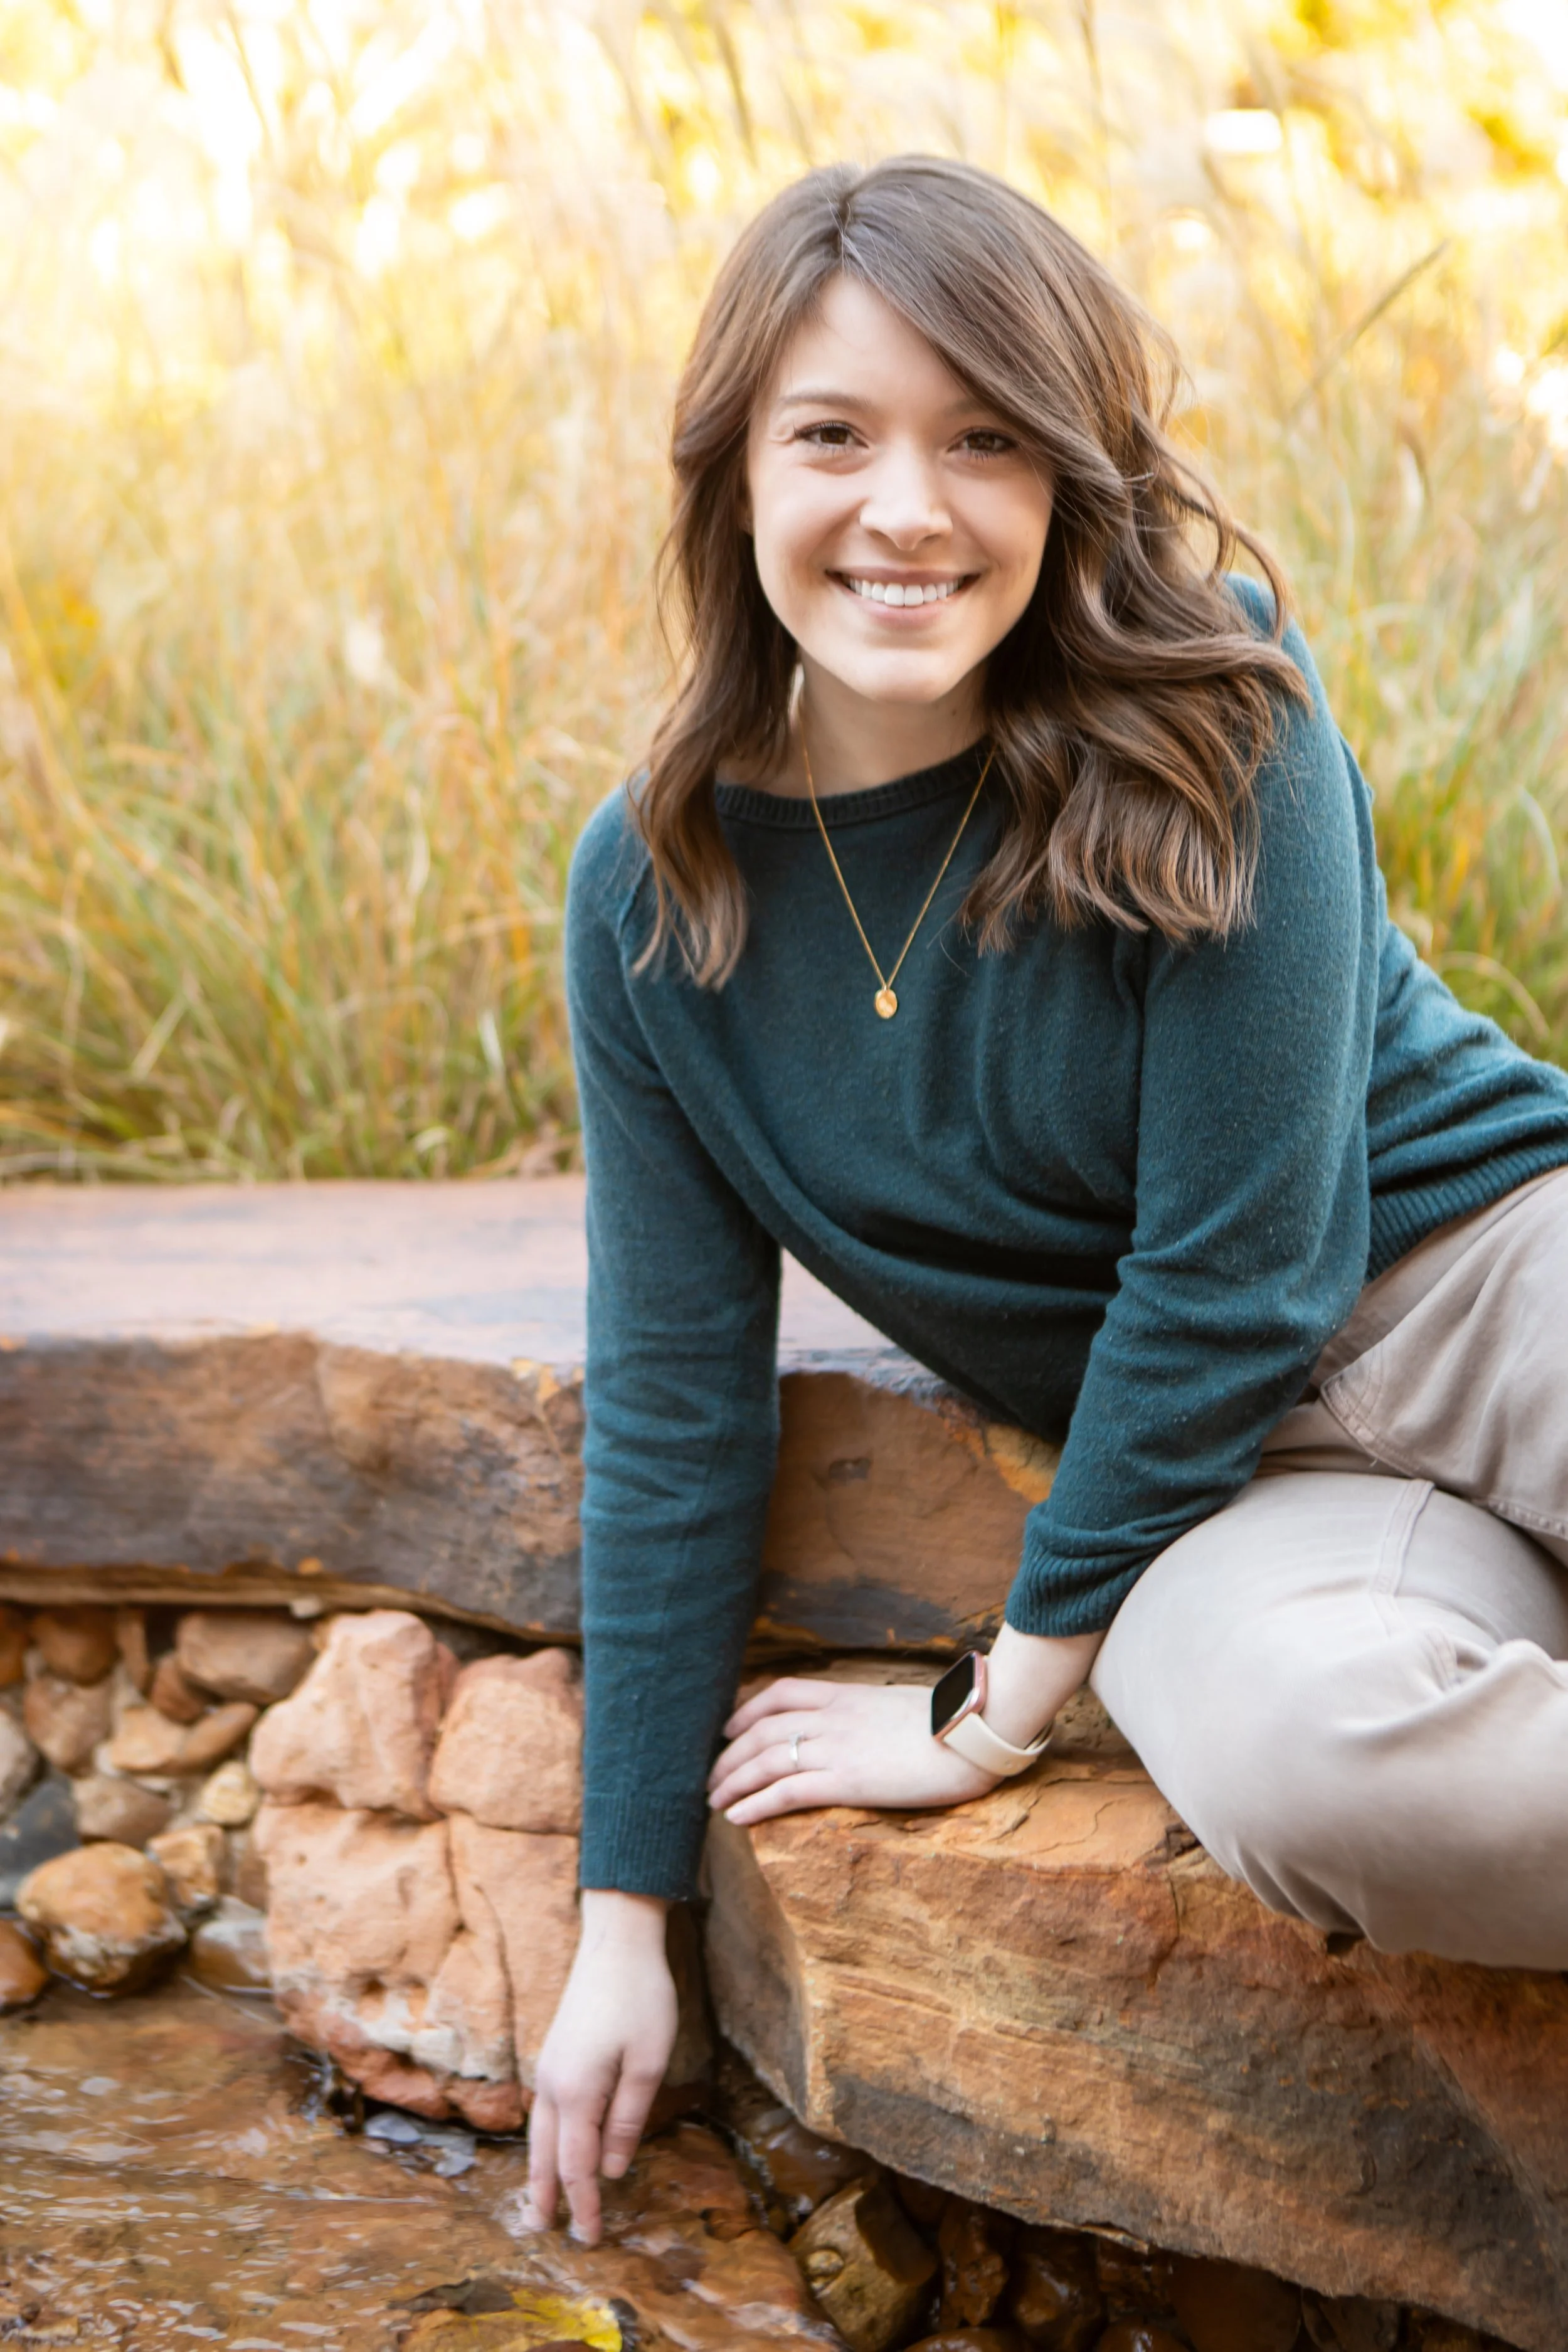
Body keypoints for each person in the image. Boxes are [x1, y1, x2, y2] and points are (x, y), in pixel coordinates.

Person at [521, 155, 1568, 2243]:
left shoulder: (1209, 706)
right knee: (1311, 1765)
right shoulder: (657, 900)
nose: (905, 508)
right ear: (734, 468)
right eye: (833, 435)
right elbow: (670, 1401)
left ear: (1063, 477)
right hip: (1217, 1496)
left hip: (1480, 1273)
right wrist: (621, 1912)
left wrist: (988, 1709)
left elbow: (1242, 1259)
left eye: (982, 436)